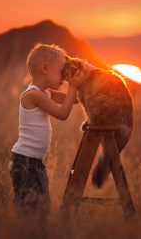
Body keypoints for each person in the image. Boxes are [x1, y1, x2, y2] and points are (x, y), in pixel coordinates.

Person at [9, 43, 86, 222]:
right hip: (24, 163)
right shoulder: (33, 95)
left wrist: (79, 82)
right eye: (61, 72)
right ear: (45, 68)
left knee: (42, 210)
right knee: (30, 212)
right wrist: (73, 86)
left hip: (36, 164)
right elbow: (62, 114)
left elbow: (73, 100)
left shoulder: (46, 93)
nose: (64, 78)